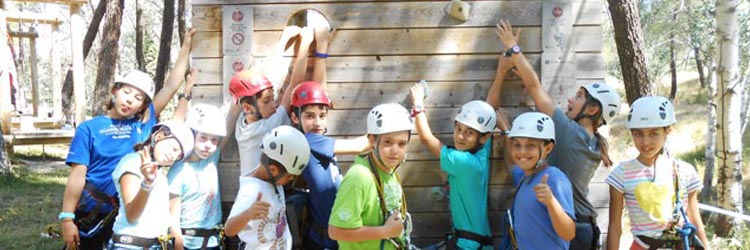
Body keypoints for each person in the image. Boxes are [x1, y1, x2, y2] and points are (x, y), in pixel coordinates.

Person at [60, 29, 198, 249]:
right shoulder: (89, 129)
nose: (129, 101)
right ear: (115, 90)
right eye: (127, 92)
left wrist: (186, 47)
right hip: (94, 211)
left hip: (130, 213)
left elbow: (171, 85)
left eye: (138, 98)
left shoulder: (143, 126)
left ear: (143, 105)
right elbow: (77, 176)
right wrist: (67, 218)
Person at [494, 20, 621, 249]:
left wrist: (513, 47)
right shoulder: (588, 142)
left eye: (579, 96)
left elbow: (535, 88)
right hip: (584, 228)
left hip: (571, 229)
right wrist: (508, 132)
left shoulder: (571, 135)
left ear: (592, 110)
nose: (571, 100)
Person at [606, 96, 709, 250]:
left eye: (653, 133)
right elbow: (615, 227)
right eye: (638, 134)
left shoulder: (685, 172)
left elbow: (695, 220)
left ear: (667, 130)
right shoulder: (621, 174)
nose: (646, 142)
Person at [409, 83, 495, 250]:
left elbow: (427, 139)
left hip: (467, 245)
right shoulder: (482, 152)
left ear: (484, 137)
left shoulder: (464, 162)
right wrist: (502, 70)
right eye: (458, 128)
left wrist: (418, 103)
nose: (460, 136)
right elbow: (489, 107)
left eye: (469, 132)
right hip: (472, 242)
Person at [289, 81, 369, 249]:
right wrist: (389, 126)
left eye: (322, 115)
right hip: (323, 240)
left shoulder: (321, 143)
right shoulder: (309, 140)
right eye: (309, 116)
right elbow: (359, 146)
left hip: (329, 236)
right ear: (295, 117)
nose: (317, 123)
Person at [328, 103, 415, 250]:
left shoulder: (388, 171)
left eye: (402, 144)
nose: (395, 151)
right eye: (388, 142)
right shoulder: (359, 177)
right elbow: (336, 231)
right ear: (372, 140)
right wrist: (385, 231)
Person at [230, 26, 313, 177]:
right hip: (259, 192)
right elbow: (295, 85)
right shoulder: (266, 126)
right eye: (267, 101)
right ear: (248, 107)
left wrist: (284, 40)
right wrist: (306, 42)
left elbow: (265, 77)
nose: (273, 105)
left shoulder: (243, 122)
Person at [168, 77, 237, 250]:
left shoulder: (210, 158)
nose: (209, 145)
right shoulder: (179, 170)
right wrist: (178, 245)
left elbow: (230, 121)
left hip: (213, 241)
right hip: (188, 243)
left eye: (214, 141)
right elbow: (172, 215)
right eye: (203, 138)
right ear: (191, 135)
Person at [108, 120, 195, 249]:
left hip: (155, 244)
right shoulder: (132, 162)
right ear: (160, 136)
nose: (173, 156)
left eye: (178, 156)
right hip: (132, 244)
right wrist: (147, 183)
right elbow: (132, 215)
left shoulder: (157, 172)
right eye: (174, 149)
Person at [224, 125, 311, 249]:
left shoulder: (272, 181)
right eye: (289, 176)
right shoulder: (251, 191)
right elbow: (229, 229)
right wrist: (249, 214)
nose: (291, 180)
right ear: (273, 169)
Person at [505, 112, 576, 249]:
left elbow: (569, 233)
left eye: (530, 145)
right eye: (517, 145)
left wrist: (551, 202)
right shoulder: (524, 176)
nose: (522, 152)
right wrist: (505, 130)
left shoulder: (555, 179)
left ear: (548, 148)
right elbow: (511, 162)